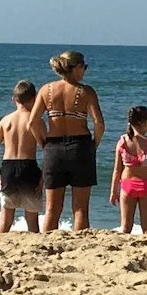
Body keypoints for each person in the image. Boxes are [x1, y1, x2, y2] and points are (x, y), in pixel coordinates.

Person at [31, 50, 104, 231]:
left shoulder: (46, 90)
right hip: (80, 146)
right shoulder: (86, 91)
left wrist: (43, 144)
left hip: (54, 148)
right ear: (76, 67)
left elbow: (32, 122)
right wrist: (95, 144)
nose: (85, 71)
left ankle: (46, 247)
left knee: (52, 209)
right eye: (84, 67)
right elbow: (99, 123)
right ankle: (80, 246)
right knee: (80, 209)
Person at [0, 80, 45, 234]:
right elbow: (48, 151)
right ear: (34, 98)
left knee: (6, 219)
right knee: (32, 220)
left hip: (8, 168)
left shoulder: (6, 120)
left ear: (14, 99)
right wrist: (43, 176)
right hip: (28, 168)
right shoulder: (36, 121)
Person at [109, 104, 147, 234]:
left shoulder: (122, 141)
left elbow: (117, 169)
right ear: (144, 123)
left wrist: (113, 191)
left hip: (127, 186)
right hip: (146, 186)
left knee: (126, 228)